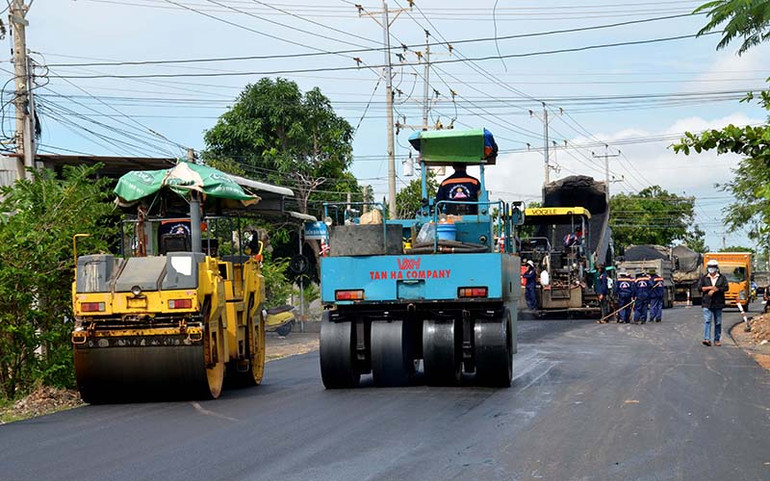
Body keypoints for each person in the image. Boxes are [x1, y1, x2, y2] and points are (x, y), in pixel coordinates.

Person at [698, 259, 729, 346]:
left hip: (718, 303)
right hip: (707, 303)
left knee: (718, 322)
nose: (711, 269)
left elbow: (726, 288)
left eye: (713, 267)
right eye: (710, 267)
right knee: (707, 321)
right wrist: (710, 288)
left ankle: (717, 339)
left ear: (716, 268)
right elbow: (700, 288)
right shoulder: (704, 278)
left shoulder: (722, 278)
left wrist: (716, 289)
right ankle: (707, 339)